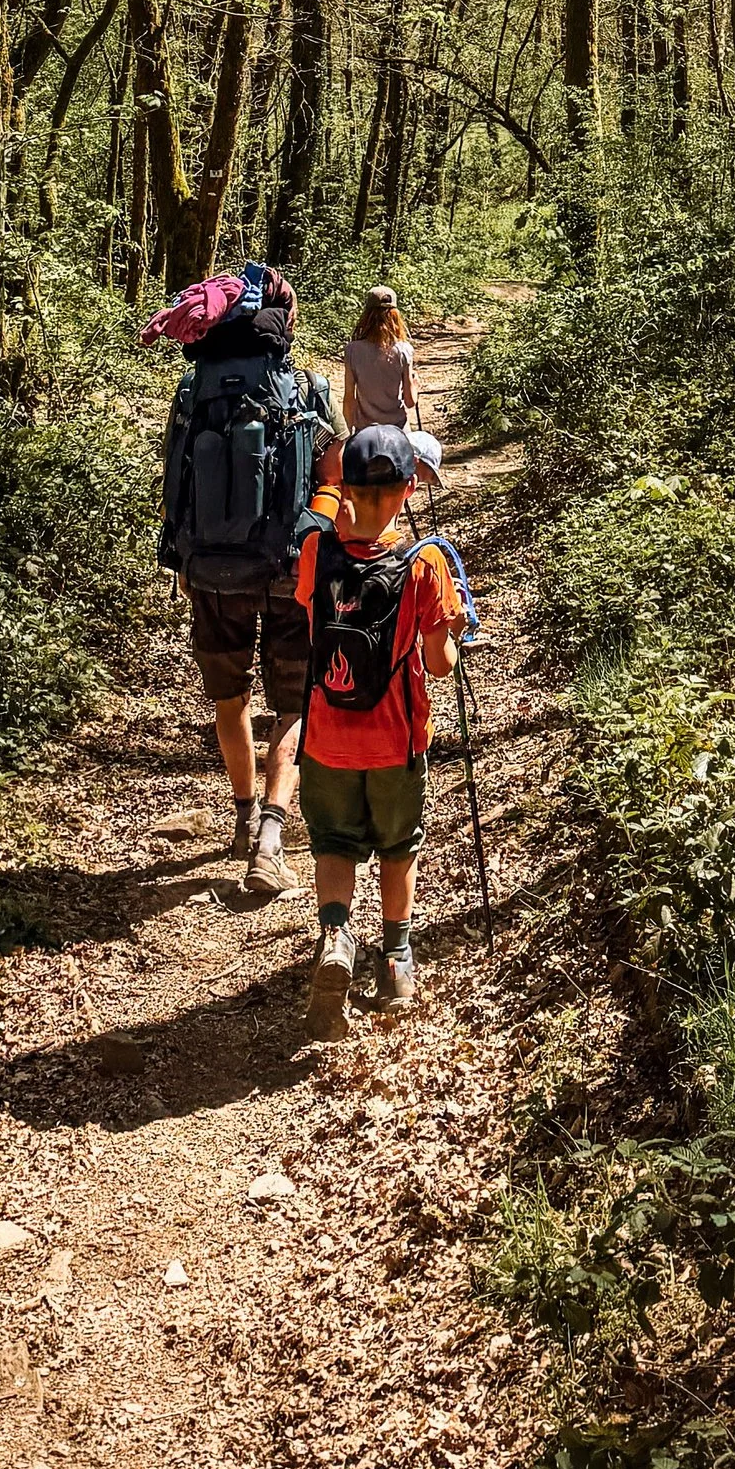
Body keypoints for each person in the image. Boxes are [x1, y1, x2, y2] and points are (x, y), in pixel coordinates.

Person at [155, 265, 339, 900]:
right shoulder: (309, 391)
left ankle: (239, 817)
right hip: (291, 570)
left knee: (228, 699)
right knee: (293, 703)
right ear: (283, 326)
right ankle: (270, 835)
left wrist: (180, 556)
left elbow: (176, 479)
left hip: (210, 569)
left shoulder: (191, 392)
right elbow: (335, 482)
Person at [291, 421, 461, 1034]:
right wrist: (454, 626)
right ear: (410, 487)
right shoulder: (426, 563)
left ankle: (337, 934)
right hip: (396, 738)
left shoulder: (316, 550)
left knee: (333, 843)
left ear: (346, 486)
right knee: (398, 846)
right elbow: (440, 666)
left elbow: (314, 621)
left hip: (326, 736)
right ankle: (395, 961)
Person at [342, 284, 442, 476]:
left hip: (365, 430)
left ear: (367, 314)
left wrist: (349, 432)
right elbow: (410, 401)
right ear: (395, 315)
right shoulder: (404, 350)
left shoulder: (352, 350)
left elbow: (349, 397)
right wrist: (415, 385)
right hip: (397, 430)